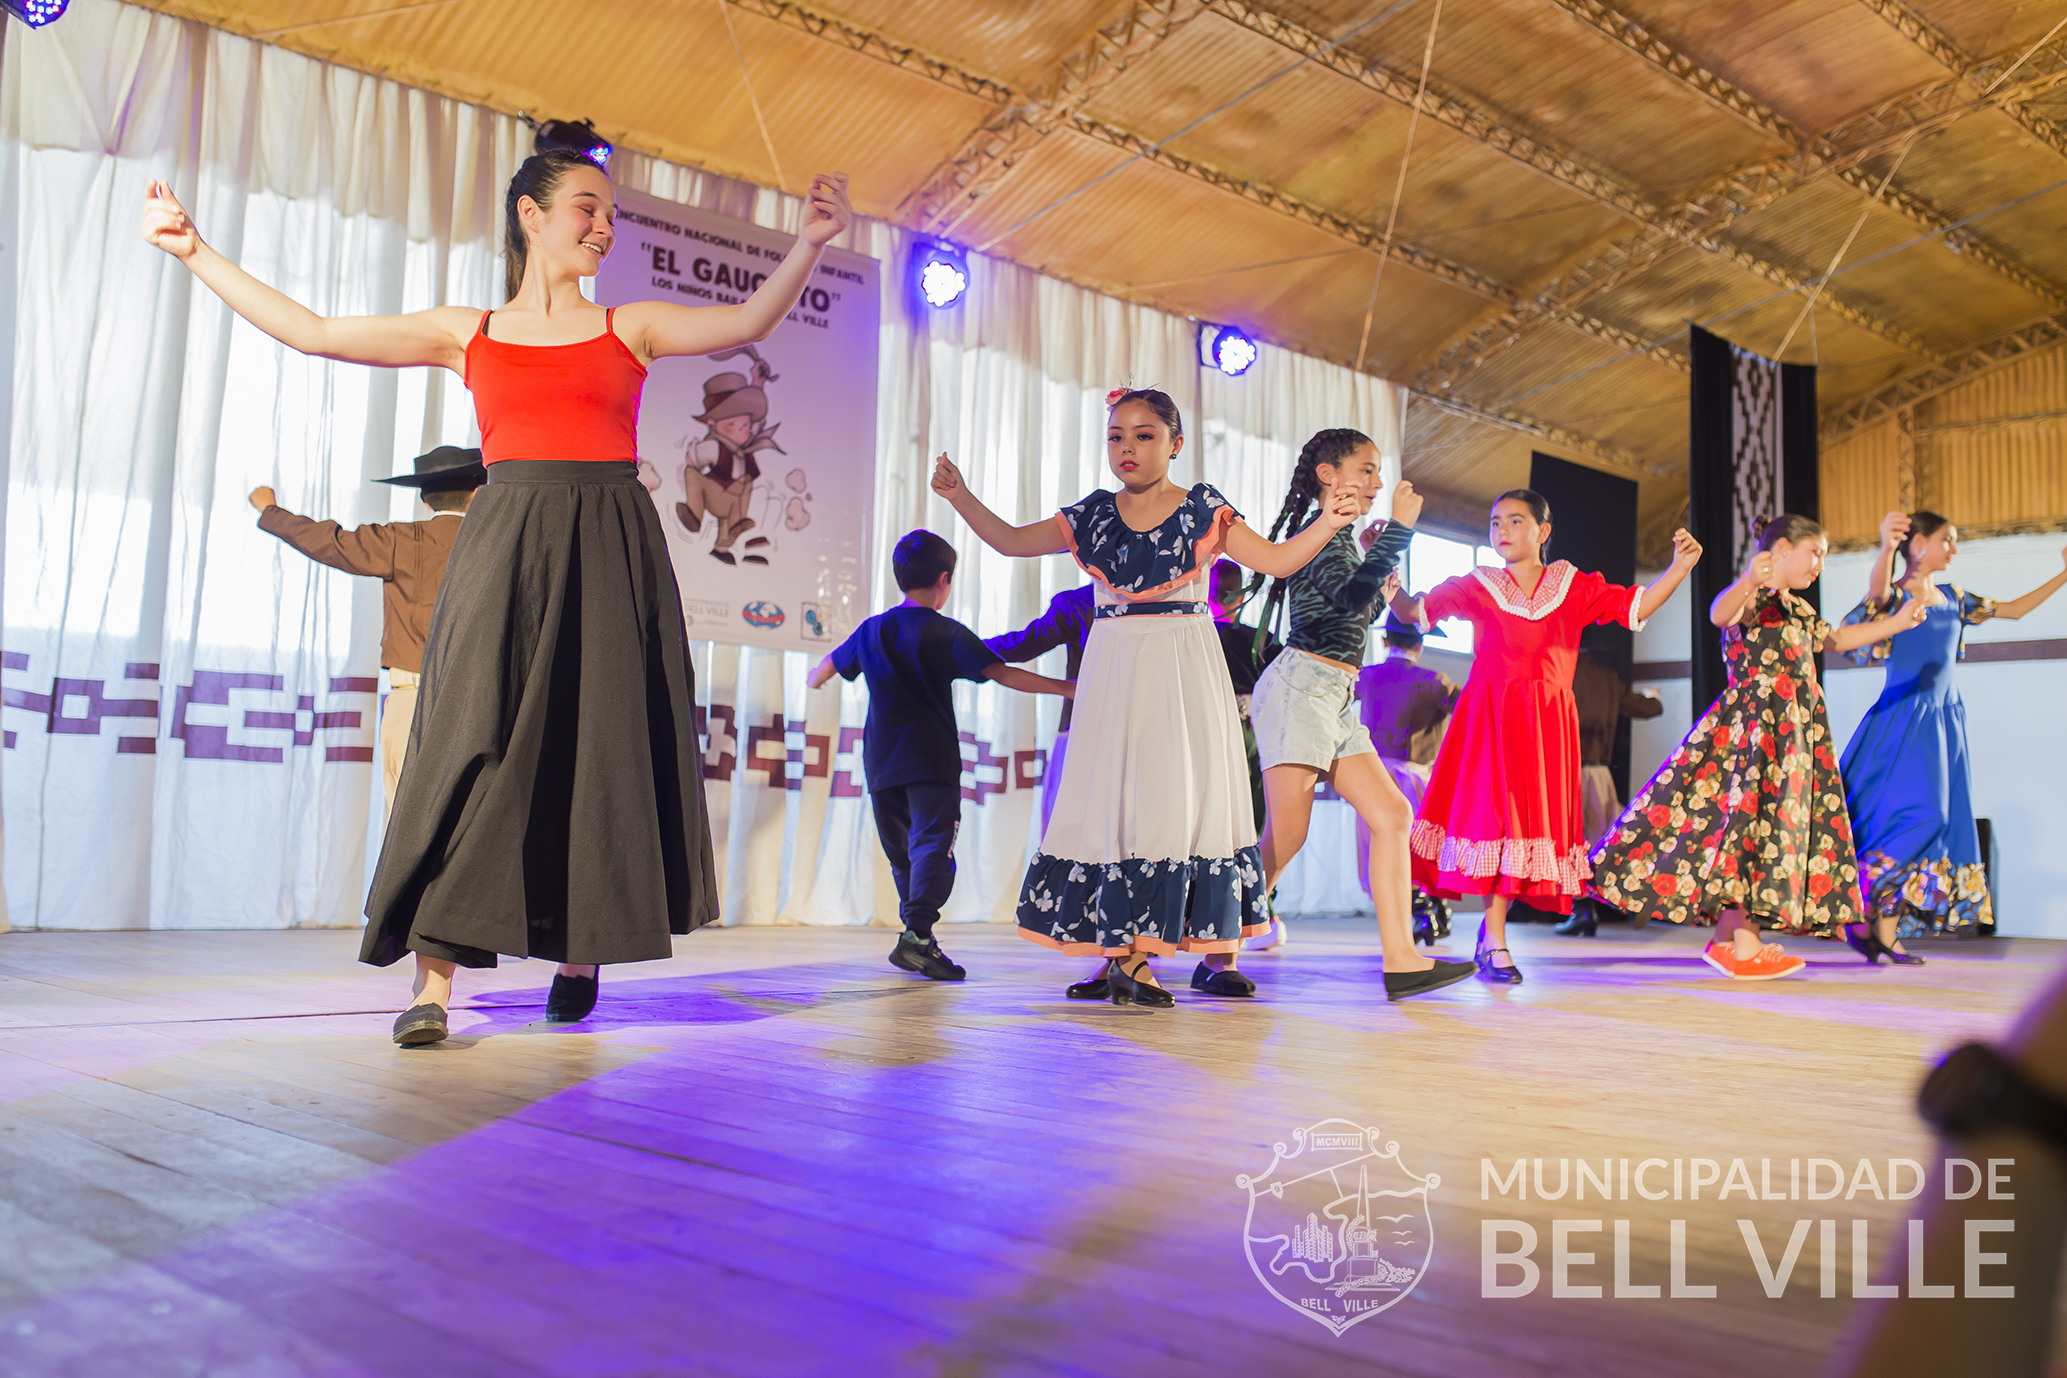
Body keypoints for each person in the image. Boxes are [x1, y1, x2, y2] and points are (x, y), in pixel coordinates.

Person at [144, 152, 855, 1045]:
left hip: (608, 543)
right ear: (530, 214)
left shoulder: (629, 326)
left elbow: (749, 320)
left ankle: (582, 952)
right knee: (462, 746)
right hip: (506, 538)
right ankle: (432, 985)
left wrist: (809, 243)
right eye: (588, 208)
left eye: (611, 214)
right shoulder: (467, 331)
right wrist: (196, 251)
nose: (604, 226)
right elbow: (315, 331)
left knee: (599, 747)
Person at [929, 388, 1369, 1008]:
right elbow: (1010, 540)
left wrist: (1328, 522)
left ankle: (1135, 958)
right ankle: (1114, 953)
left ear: (1175, 443)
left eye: (1144, 435)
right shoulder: (1093, 514)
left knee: (1168, 802)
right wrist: (959, 495)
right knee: (1110, 803)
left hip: (1182, 663)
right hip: (1114, 662)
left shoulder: (1202, 509)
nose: (1127, 447)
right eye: (1116, 436)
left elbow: (1274, 561)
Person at [1589, 515, 1925, 979]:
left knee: (1768, 832)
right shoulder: (1753, 597)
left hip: (1793, 737)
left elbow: (1838, 639)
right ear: (1782, 549)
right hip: (1756, 734)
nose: (1819, 565)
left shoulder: (1798, 609)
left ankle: (1729, 940)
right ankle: (1745, 945)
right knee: (1753, 830)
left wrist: (1899, 622)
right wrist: (1748, 579)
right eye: (1815, 553)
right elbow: (1719, 613)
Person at [1389, 490, 1700, 984]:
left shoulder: (1571, 584)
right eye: (1495, 522)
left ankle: (1492, 936)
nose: (1502, 530)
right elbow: (1414, 612)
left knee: (1522, 830)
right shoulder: (1479, 582)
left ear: (1543, 530)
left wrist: (1679, 568)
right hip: (1490, 719)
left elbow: (1634, 605)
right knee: (1495, 821)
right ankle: (1494, 937)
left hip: (1545, 725)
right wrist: (1386, 566)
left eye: (1515, 520)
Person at [1238, 428, 1474, 1001]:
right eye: (1365, 469)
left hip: (1336, 695)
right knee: (1285, 837)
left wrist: (1378, 563)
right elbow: (1345, 601)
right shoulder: (1316, 532)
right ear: (1328, 474)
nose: (1376, 481)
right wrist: (1399, 533)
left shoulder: (1341, 539)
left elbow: (1349, 612)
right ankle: (1218, 952)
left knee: (1392, 814)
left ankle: (1403, 961)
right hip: (1301, 688)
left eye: (1376, 471)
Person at [808, 531, 1072, 981]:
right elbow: (1002, 673)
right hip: (931, 762)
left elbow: (826, 668)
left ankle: (917, 936)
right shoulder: (945, 631)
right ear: (944, 580)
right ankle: (916, 936)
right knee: (933, 848)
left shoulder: (872, 629)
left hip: (882, 764)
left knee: (903, 855)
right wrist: (1067, 688)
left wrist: (817, 676)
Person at [1839, 510, 2067, 954]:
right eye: (1948, 539)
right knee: (1920, 817)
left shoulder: (1955, 597)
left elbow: (2015, 610)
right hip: (1903, 719)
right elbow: (1876, 594)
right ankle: (1865, 901)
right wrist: (1886, 546)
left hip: (1945, 724)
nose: (1954, 549)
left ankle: (1885, 933)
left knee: (1939, 823)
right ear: (1919, 544)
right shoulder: (1896, 599)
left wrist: (2064, 574)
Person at [250, 445, 486, 818]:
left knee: (407, 827)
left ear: (424, 500)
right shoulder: (496, 545)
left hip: (413, 701)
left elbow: (330, 542)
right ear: (476, 493)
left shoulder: (402, 540)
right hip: (480, 706)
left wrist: (270, 511)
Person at [1354, 611, 1460, 942]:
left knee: (1378, 847)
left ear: (1385, 641)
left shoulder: (1368, 676)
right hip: (1416, 778)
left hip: (1372, 775)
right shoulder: (1434, 680)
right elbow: (1468, 710)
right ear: (1420, 645)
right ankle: (1428, 908)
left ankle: (1414, 912)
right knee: (1419, 847)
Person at [1553, 640, 1663, 936]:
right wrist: (1653, 697)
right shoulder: (1607, 677)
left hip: (1565, 772)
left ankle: (1582, 909)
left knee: (1571, 844)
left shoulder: (1559, 672)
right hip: (1599, 775)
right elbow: (1647, 708)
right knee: (1607, 843)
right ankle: (1635, 893)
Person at [1209, 558, 1287, 948]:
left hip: (1210, 734)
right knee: (1252, 826)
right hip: (1254, 733)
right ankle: (1263, 912)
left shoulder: (1199, 636)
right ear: (1242, 595)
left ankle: (1216, 913)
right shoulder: (1264, 639)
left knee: (1215, 826)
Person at [984, 583, 1093, 835]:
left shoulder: (1081, 602)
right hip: (1151, 730)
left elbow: (1023, 645)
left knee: (1068, 831)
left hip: (1083, 729)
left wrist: (960, 645)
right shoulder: (1173, 599)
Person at [677, 346, 781, 565]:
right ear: (713, 425)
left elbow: (757, 422)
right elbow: (693, 461)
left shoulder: (744, 450)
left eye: (745, 424)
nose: (743, 430)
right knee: (692, 474)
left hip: (732, 501)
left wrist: (758, 381)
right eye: (733, 424)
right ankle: (694, 513)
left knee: (746, 484)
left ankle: (723, 543)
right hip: (713, 494)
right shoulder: (715, 447)